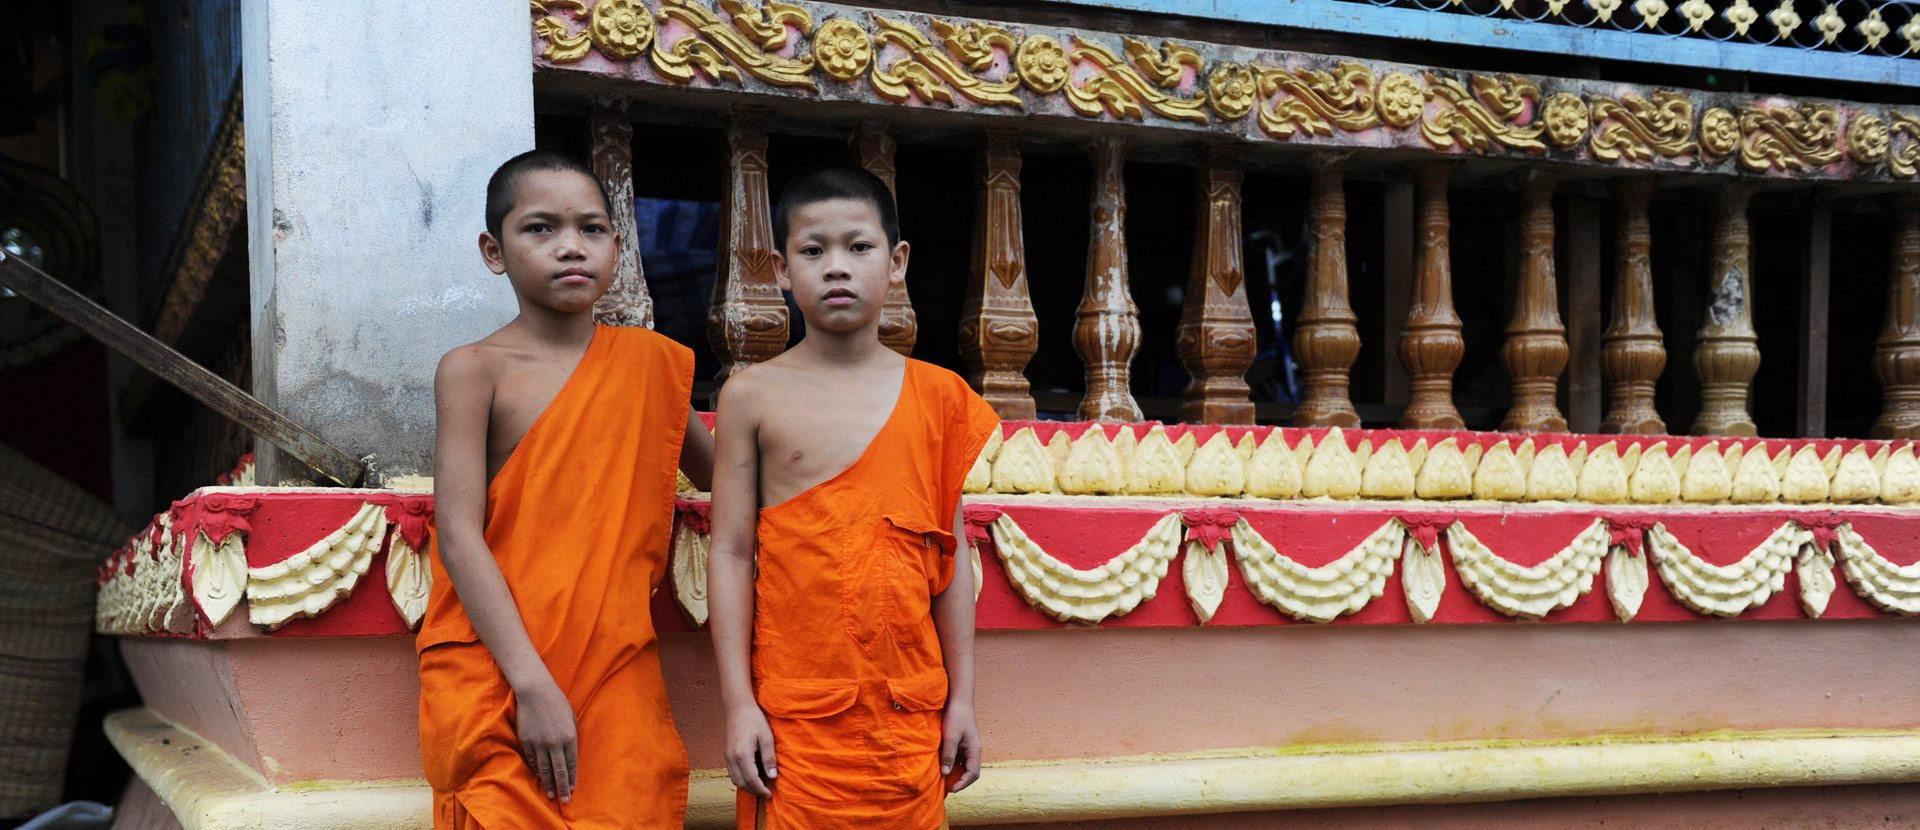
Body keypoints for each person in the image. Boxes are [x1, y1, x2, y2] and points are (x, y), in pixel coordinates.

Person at [416, 149, 713, 828]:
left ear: (617, 249)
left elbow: (729, 483)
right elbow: (458, 536)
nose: (571, 247)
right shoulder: (474, 371)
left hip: (615, 664)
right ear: (494, 251)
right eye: (540, 228)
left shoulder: (650, 365)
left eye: (591, 229)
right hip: (498, 668)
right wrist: (530, 683)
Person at [707, 166, 999, 829]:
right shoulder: (753, 396)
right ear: (782, 270)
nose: (836, 266)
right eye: (813, 250)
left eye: (859, 246)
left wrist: (963, 700)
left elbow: (950, 561)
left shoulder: (939, 397)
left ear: (896, 262)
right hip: (798, 723)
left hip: (912, 716)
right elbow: (729, 554)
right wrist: (738, 706)